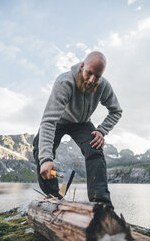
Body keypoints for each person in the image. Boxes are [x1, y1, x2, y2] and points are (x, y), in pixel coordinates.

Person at [33, 51, 122, 208]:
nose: (92, 80)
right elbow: (48, 121)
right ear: (82, 67)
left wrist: (102, 131)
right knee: (40, 147)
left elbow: (116, 111)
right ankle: (54, 197)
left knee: (95, 147)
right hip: (59, 121)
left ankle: (101, 204)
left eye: (97, 76)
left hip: (81, 122)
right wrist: (46, 159)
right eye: (89, 73)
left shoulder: (102, 86)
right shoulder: (65, 82)